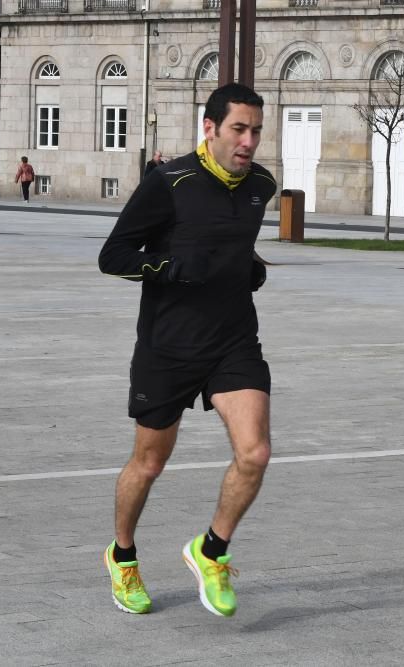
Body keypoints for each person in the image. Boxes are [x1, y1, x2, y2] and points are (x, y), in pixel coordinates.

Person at [98, 83, 278, 617]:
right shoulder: (168, 182)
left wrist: (249, 268)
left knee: (256, 452)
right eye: (239, 129)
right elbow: (114, 255)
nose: (249, 142)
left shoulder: (260, 186)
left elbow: (230, 242)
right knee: (149, 463)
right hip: (168, 346)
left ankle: (211, 551)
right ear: (210, 128)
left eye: (256, 131)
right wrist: (170, 268)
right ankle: (123, 556)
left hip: (232, 340)